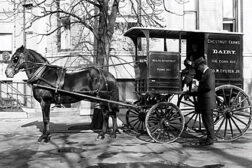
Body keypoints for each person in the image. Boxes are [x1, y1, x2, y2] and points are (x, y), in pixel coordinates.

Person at [188, 57, 216, 146]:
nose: (198, 69)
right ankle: (209, 138)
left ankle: (210, 139)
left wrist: (197, 88)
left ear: (202, 65)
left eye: (199, 67)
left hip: (208, 102)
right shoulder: (206, 73)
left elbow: (208, 86)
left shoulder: (209, 73)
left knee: (208, 121)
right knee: (206, 120)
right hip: (205, 101)